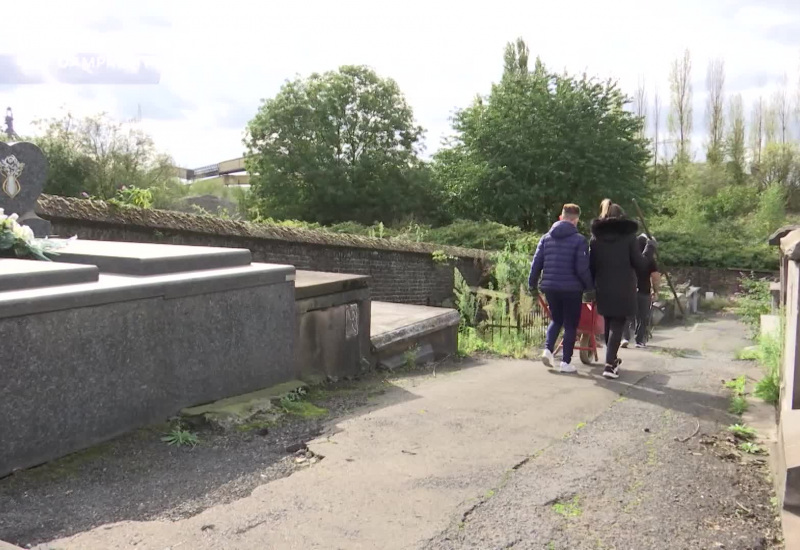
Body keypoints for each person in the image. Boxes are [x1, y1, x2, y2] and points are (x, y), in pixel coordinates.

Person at [589, 199, 654, 379]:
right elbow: (640, 264)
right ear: (622, 217)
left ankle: (612, 359)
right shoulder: (628, 238)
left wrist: (591, 286)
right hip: (624, 287)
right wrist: (650, 248)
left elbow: (591, 266)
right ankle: (609, 365)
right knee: (617, 324)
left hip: (603, 286)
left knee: (609, 323)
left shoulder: (596, 239)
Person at [528, 203, 594, 373]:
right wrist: (589, 287)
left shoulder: (545, 238)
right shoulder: (579, 240)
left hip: (550, 287)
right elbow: (582, 268)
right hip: (572, 289)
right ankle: (565, 363)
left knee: (556, 319)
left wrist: (532, 285)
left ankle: (548, 350)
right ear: (576, 220)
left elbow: (536, 263)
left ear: (560, 217)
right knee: (571, 324)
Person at [621, 234, 660, 348]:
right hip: (644, 290)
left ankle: (625, 338)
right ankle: (639, 340)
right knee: (642, 317)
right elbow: (655, 276)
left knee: (626, 316)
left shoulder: (628, 257)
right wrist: (656, 290)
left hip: (628, 290)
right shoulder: (650, 260)